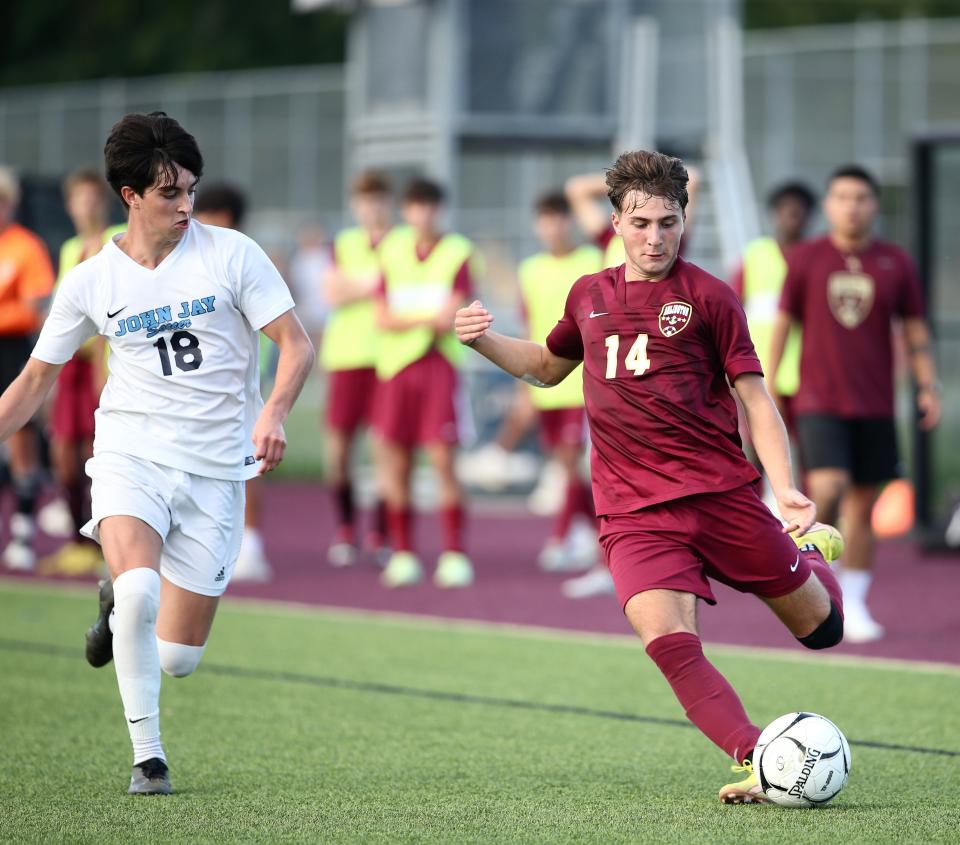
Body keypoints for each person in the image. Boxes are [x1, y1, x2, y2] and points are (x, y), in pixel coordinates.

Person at [455, 150, 846, 804]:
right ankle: (760, 757)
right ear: (615, 222)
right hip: (634, 515)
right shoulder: (587, 295)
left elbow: (755, 399)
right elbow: (549, 368)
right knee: (668, 642)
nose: (655, 236)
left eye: (668, 222)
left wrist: (785, 488)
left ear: (685, 220)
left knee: (823, 631)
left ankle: (807, 554)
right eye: (641, 223)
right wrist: (484, 342)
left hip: (723, 499)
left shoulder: (710, 297)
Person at [0, 112, 315, 795]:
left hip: (215, 471)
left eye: (190, 189)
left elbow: (297, 344)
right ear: (130, 195)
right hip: (130, 453)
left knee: (176, 657)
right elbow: (32, 382)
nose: (185, 205)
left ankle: (118, 607)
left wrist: (275, 410)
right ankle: (149, 757)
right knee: (143, 587)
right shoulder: (91, 280)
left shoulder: (232, 254)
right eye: (169, 192)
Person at [768, 165, 940, 643]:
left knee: (863, 507)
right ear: (828, 205)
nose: (852, 205)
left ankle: (854, 602)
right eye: (842, 196)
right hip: (819, 400)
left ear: (874, 206)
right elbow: (784, 324)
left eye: (861, 197)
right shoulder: (806, 258)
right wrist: (758, 389)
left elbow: (915, 329)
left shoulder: (896, 262)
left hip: (876, 405)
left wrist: (928, 385)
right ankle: (802, 589)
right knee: (827, 490)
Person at [375, 177, 479, 588]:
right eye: (416, 206)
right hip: (395, 371)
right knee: (397, 465)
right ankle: (403, 553)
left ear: (440, 211)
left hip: (438, 368)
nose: (423, 215)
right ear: (406, 211)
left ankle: (454, 553)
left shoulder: (459, 252)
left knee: (443, 463)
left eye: (431, 207)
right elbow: (381, 316)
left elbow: (450, 315)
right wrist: (425, 314)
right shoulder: (392, 249)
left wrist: (410, 315)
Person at [38, 169, 124, 575]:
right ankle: (78, 543)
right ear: (70, 204)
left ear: (104, 201)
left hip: (105, 364)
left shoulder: (120, 237)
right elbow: (65, 312)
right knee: (63, 455)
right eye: (79, 199)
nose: (87, 205)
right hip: (71, 367)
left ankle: (111, 546)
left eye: (93, 198)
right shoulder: (71, 247)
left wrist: (103, 357)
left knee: (101, 455)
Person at [193, 181, 273, 583]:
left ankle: (251, 543)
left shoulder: (242, 259)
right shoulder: (193, 258)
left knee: (248, 457)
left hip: (244, 382)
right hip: (198, 384)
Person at [517, 191, 600, 572]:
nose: (553, 227)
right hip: (544, 380)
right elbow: (526, 324)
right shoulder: (530, 270)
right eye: (545, 219)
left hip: (582, 381)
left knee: (572, 462)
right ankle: (595, 533)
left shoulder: (592, 261)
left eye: (559, 218)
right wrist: (523, 381)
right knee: (565, 468)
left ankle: (562, 535)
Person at [321, 170, 392, 567]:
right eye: (365, 200)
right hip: (346, 357)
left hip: (387, 359)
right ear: (355, 205)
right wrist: (375, 283)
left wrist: (359, 285)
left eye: (379, 198)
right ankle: (346, 530)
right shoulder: (344, 242)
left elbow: (398, 292)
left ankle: (381, 532)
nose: (373, 207)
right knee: (339, 452)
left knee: (384, 449)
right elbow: (331, 291)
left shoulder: (402, 243)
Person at [0, 165, 56, 571]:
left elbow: (37, 306)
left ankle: (22, 529)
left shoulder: (25, 247)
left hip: (12, 350)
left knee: (21, 435)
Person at [730, 181, 816, 433]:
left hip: (807, 374)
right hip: (758, 371)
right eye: (785, 210)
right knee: (755, 449)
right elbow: (731, 311)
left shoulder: (816, 259)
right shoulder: (755, 255)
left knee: (810, 454)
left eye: (798, 211)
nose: (791, 217)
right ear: (774, 214)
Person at [565, 163, 699, 268]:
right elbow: (577, 188)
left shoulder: (670, 237)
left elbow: (691, 178)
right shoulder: (611, 239)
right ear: (617, 222)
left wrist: (650, 179)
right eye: (640, 223)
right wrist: (631, 182)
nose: (653, 239)